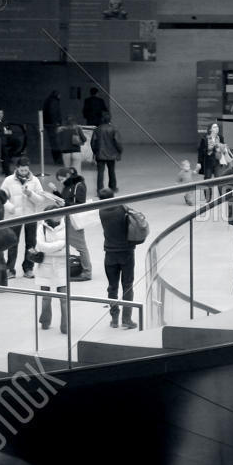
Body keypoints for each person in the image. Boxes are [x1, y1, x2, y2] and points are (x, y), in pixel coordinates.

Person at [97, 187, 140, 330]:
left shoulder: (101, 212)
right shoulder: (122, 208)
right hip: (126, 252)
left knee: (112, 287)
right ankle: (127, 319)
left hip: (110, 253)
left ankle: (114, 318)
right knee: (127, 286)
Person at [1, 159, 48, 278]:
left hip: (31, 216)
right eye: (21, 170)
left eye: (26, 170)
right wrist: (11, 208)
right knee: (12, 243)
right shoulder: (8, 180)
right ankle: (10, 269)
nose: (23, 172)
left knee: (31, 243)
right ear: (16, 168)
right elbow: (2, 197)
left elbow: (41, 199)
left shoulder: (35, 180)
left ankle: (28, 268)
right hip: (15, 217)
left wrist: (30, 194)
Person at [34, 204, 71, 335]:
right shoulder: (41, 228)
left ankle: (65, 326)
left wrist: (51, 248)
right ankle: (45, 322)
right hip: (44, 267)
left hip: (61, 267)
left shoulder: (66, 226)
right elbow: (41, 246)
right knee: (45, 298)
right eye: (56, 213)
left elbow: (66, 249)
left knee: (64, 299)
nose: (60, 215)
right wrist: (60, 245)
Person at [90, 112, 121, 193]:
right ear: (110, 119)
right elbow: (117, 142)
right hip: (111, 154)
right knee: (111, 171)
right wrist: (119, 151)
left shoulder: (97, 129)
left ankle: (100, 189)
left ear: (102, 119)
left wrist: (95, 152)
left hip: (100, 154)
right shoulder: (114, 129)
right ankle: (113, 187)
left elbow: (93, 143)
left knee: (100, 172)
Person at [42, 89, 62, 166]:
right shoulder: (54, 102)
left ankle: (57, 159)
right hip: (52, 125)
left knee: (53, 143)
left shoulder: (48, 101)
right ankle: (58, 160)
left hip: (48, 124)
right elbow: (53, 113)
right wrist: (57, 123)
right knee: (55, 143)